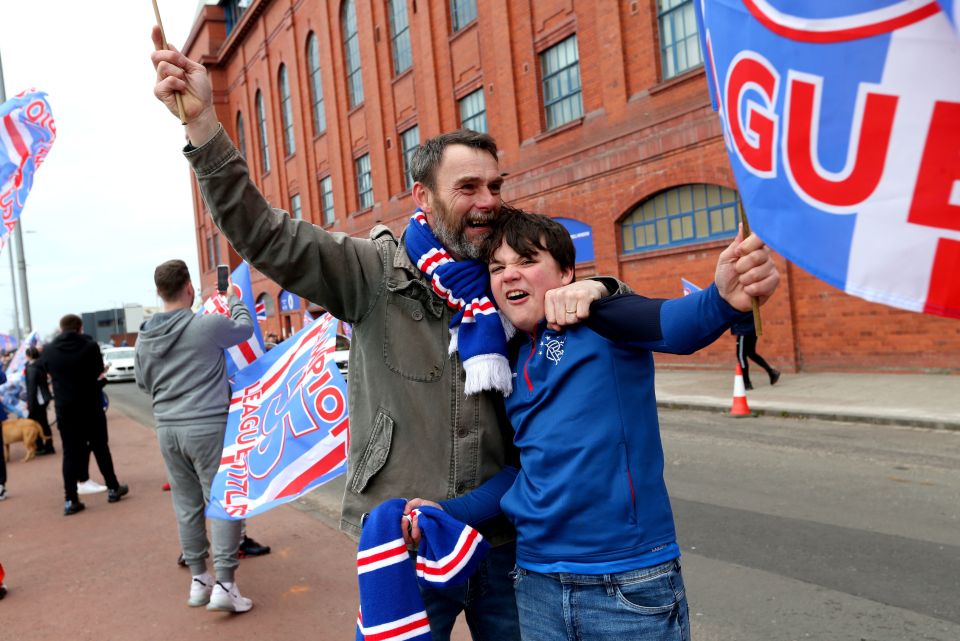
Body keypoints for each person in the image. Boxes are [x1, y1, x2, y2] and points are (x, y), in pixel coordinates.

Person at [150, 34, 623, 639]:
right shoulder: (372, 271)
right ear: (422, 197)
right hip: (405, 537)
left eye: (495, 186)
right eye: (469, 188)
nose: (488, 202)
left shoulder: (511, 277)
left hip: (502, 534)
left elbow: (579, 285)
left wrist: (601, 288)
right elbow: (264, 233)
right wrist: (204, 128)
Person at [405, 211, 780, 641]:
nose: (510, 275)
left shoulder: (603, 316)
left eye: (526, 261)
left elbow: (680, 325)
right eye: (497, 268)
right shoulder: (505, 360)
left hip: (625, 585)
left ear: (566, 272)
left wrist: (722, 299)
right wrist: (447, 511)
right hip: (534, 582)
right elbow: (521, 472)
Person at [135, 259, 255, 613]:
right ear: (189, 288)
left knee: (186, 505)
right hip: (208, 426)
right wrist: (233, 298)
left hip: (168, 429)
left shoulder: (144, 336)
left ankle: (199, 579)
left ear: (159, 293)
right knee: (221, 501)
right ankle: (225, 584)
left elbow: (143, 383)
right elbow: (245, 328)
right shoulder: (207, 326)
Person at [42, 315, 128, 516]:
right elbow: (97, 371)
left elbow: (48, 372)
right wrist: (100, 383)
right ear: (79, 327)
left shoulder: (49, 350)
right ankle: (113, 488)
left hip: (65, 409)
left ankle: (71, 499)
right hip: (90, 407)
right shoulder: (90, 346)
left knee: (70, 453)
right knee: (100, 448)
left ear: (61, 328)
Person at [731, 317, 780, 390]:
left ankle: (747, 383)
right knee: (751, 353)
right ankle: (771, 372)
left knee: (741, 356)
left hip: (743, 330)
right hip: (752, 328)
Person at [25, 346, 55, 456]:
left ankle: (42, 447)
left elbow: (32, 388)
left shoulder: (31, 368)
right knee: (44, 423)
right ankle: (48, 445)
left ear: (28, 356)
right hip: (44, 398)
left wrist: (30, 404)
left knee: (36, 424)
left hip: (37, 400)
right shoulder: (40, 365)